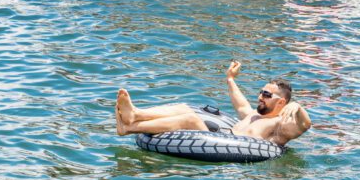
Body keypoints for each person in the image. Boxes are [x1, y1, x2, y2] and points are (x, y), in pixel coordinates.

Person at [115, 61, 311, 147]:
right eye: (261, 92)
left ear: (281, 102)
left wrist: (298, 108)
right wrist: (230, 79)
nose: (260, 96)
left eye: (266, 94)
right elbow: (241, 104)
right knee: (185, 107)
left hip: (234, 149)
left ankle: (130, 127)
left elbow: (304, 126)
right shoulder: (254, 115)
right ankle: (135, 114)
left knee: (191, 119)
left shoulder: (279, 126)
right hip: (222, 138)